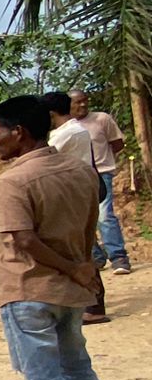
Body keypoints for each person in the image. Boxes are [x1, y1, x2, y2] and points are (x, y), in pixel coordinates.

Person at [0, 95, 116, 380]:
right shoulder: (81, 172)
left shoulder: (13, 181)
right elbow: (89, 224)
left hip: (29, 288)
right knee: (76, 363)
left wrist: (70, 267)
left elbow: (24, 240)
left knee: (40, 372)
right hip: (70, 290)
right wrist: (79, 267)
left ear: (19, 132)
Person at [41, 92, 109, 323]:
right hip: (80, 190)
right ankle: (91, 302)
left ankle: (95, 304)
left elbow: (42, 155)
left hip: (74, 193)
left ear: (51, 114)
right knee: (83, 247)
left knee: (83, 250)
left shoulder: (66, 134)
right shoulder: (75, 130)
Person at [68, 89, 132, 274]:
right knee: (82, 220)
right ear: (68, 105)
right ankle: (96, 257)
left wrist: (105, 161)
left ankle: (119, 258)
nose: (83, 105)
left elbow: (117, 143)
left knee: (104, 215)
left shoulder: (102, 119)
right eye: (77, 102)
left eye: (84, 101)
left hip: (102, 174)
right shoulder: (66, 127)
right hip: (77, 178)